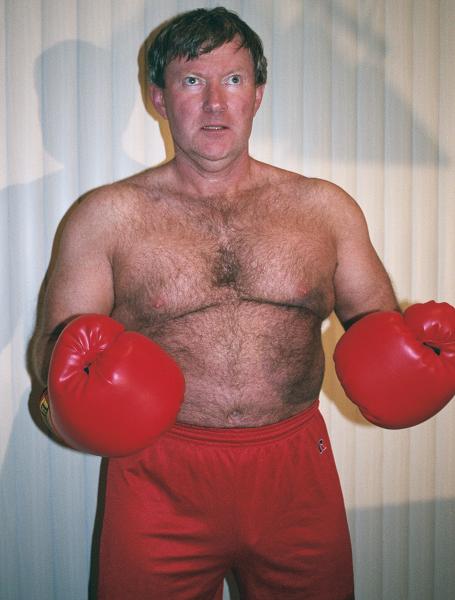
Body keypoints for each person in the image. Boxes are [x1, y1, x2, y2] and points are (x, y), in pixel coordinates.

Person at [32, 6, 455, 600]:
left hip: (294, 476)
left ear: (257, 95)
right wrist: (75, 406)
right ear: (158, 97)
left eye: (232, 80)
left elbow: (379, 330)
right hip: (160, 480)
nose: (214, 103)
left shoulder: (325, 210)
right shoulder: (105, 219)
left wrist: (414, 367)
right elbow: (53, 361)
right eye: (191, 81)